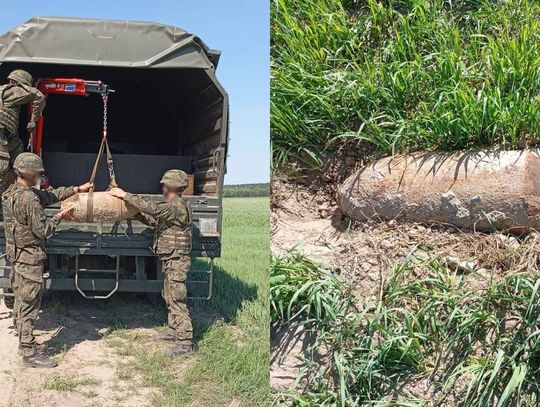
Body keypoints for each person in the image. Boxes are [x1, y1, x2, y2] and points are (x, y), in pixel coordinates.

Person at [2, 152, 93, 368]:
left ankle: (24, 341)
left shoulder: (10, 193)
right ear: (29, 173)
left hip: (17, 255)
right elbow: (42, 230)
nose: (40, 177)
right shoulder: (29, 199)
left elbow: (49, 196)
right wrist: (60, 217)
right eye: (38, 173)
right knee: (29, 303)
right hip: (30, 258)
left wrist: (76, 189)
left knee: (20, 299)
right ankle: (29, 351)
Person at [108, 170, 193, 357]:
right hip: (171, 259)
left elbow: (153, 209)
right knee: (169, 295)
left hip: (176, 260)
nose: (162, 187)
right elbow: (152, 219)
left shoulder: (176, 206)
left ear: (171, 187)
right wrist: (133, 212)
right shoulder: (172, 207)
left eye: (164, 185)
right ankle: (174, 331)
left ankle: (185, 343)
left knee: (177, 298)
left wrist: (124, 195)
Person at [0, 70, 46, 195]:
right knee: (2, 166)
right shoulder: (11, 91)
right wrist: (33, 121)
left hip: (8, 137)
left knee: (18, 149)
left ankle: (15, 190)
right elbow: (39, 96)